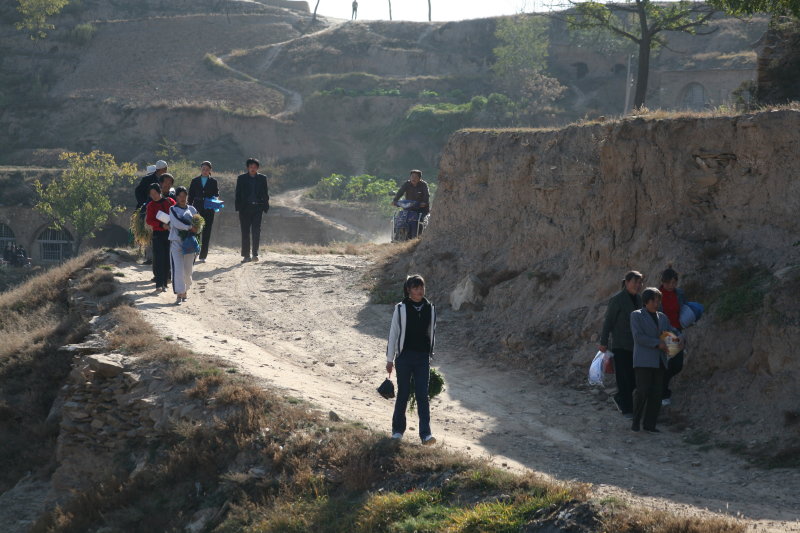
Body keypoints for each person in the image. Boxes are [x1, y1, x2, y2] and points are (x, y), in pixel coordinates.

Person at [386, 275, 437, 445]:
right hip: (404, 357)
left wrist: (430, 354)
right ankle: (398, 431)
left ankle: (426, 435)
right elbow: (393, 334)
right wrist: (390, 359)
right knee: (403, 394)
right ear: (408, 290)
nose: (419, 291)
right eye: (415, 288)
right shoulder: (400, 308)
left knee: (423, 395)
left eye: (421, 287)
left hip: (422, 357)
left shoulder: (430, 308)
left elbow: (432, 332)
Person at [630, 287, 683, 433]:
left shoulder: (663, 317)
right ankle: (636, 421)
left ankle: (650, 424)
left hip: (659, 360)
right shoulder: (636, 315)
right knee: (642, 391)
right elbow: (638, 336)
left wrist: (679, 338)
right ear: (646, 301)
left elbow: (671, 331)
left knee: (656, 393)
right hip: (643, 360)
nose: (656, 302)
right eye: (653, 300)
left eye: (658, 299)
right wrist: (657, 343)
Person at [599, 270, 644, 418]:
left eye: (640, 282)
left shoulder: (639, 299)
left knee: (633, 378)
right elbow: (609, 322)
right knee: (623, 378)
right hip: (620, 344)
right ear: (626, 282)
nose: (638, 285)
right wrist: (603, 342)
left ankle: (622, 400)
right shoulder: (617, 299)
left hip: (636, 345)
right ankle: (626, 408)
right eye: (635, 282)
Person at [658, 267, 688, 406]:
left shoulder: (679, 294)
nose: (671, 286)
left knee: (677, 365)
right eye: (668, 283)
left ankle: (660, 389)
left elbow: (683, 309)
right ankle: (663, 393)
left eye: (674, 283)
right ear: (663, 282)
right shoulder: (656, 295)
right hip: (664, 333)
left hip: (678, 333)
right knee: (670, 364)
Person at [234, 158, 270, 263]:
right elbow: (238, 193)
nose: (252, 169)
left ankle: (255, 254)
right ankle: (246, 255)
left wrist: (265, 206)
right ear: (247, 168)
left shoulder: (262, 178)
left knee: (256, 232)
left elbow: (265, 193)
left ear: (257, 168)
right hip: (245, 209)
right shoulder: (241, 178)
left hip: (258, 208)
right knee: (245, 232)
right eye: (251, 167)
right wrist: (238, 207)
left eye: (254, 167)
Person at [168, 186, 198, 305]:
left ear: (187, 197)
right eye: (180, 196)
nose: (182, 198)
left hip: (189, 242)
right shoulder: (173, 209)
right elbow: (176, 223)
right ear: (176, 197)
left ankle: (185, 290)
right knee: (178, 269)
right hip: (177, 242)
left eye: (184, 196)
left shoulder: (192, 209)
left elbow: (199, 223)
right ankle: (179, 294)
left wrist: (197, 229)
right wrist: (190, 227)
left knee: (188, 270)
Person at [145, 183, 175, 292]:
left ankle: (164, 283)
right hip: (158, 234)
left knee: (167, 259)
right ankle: (158, 283)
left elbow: (176, 213)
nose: (153, 196)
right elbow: (149, 220)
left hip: (170, 234)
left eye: (155, 193)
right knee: (158, 259)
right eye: (151, 194)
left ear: (160, 192)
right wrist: (161, 225)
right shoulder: (151, 205)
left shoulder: (170, 202)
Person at [188, 161, 219, 263]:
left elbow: (216, 194)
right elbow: (190, 195)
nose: (205, 171)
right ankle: (194, 252)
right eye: (203, 169)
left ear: (210, 170)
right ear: (201, 169)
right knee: (196, 230)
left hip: (209, 209)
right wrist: (189, 208)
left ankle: (203, 255)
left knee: (207, 232)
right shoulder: (195, 180)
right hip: (197, 208)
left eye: (207, 169)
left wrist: (215, 200)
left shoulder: (213, 181)